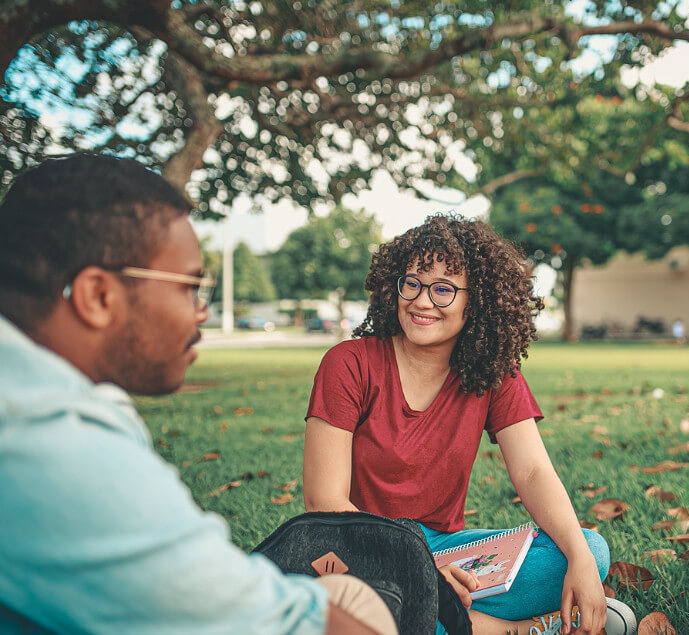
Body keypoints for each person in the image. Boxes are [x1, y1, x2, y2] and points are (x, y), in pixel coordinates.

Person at [0, 154, 395, 634]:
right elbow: (289, 623)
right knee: (357, 604)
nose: (202, 312)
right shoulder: (56, 445)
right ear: (98, 296)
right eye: (190, 287)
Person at [302, 214, 632, 635]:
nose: (422, 302)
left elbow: (532, 471)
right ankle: (519, 629)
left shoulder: (493, 373)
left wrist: (581, 562)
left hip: (444, 551)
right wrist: (419, 572)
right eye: (412, 283)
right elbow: (324, 503)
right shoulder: (349, 364)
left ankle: (436, 617)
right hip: (359, 551)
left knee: (588, 548)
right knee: (357, 603)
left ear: (476, 301)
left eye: (443, 289)